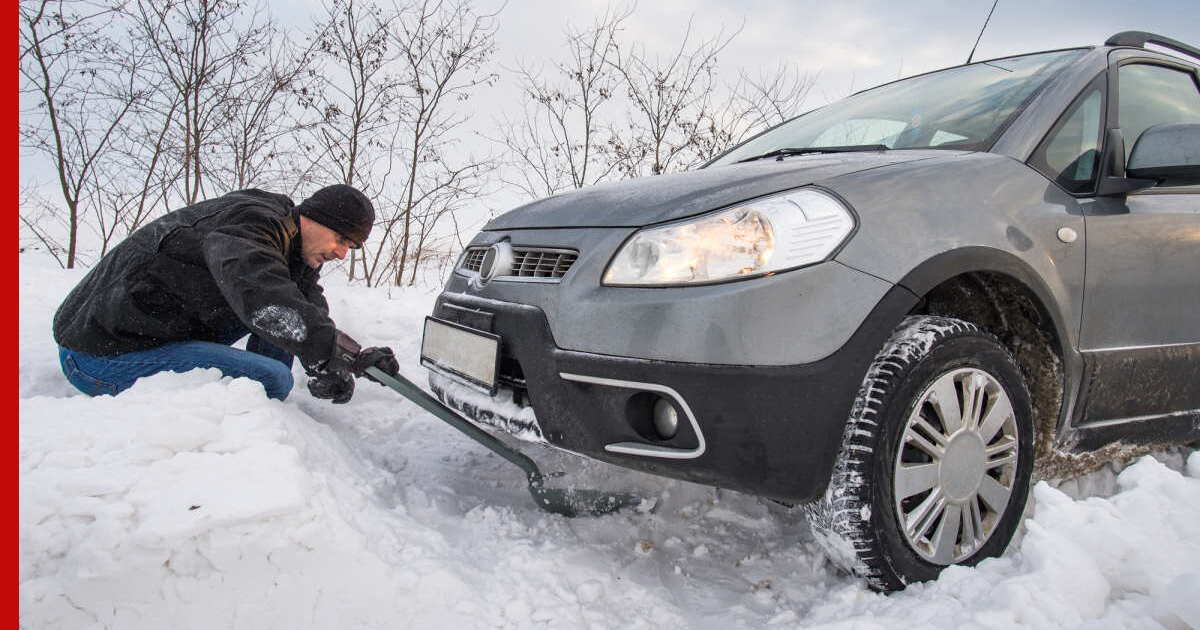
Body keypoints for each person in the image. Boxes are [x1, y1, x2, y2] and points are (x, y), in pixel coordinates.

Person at [53, 184, 399, 404]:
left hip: (146, 333)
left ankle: (269, 417)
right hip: (100, 355)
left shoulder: (292, 245)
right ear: (313, 218)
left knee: (286, 322)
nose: (342, 253)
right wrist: (327, 353)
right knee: (273, 377)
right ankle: (255, 423)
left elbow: (305, 305)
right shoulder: (252, 225)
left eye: (351, 247)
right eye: (341, 240)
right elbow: (261, 293)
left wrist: (350, 356)